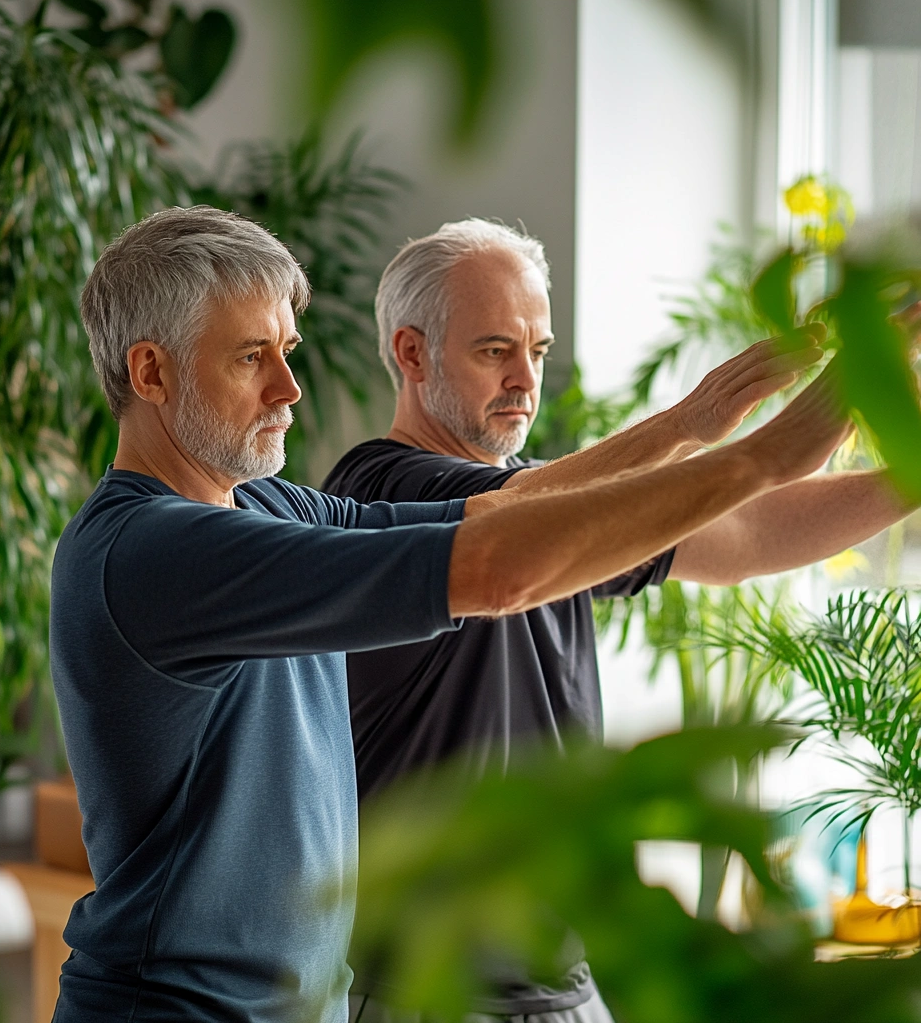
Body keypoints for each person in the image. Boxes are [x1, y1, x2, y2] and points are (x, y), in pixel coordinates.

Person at [49, 206, 851, 1022]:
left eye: (287, 353)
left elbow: (501, 515)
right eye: (252, 357)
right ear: (150, 373)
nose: (290, 388)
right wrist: (760, 456)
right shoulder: (155, 550)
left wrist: (691, 428)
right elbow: (497, 569)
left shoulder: (268, 506)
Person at [321, 219, 918, 1022]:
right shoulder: (372, 489)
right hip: (429, 990)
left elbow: (747, 536)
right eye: (495, 350)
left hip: (566, 985)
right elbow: (505, 518)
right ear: (412, 353)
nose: (525, 380)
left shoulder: (553, 506)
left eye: (537, 350)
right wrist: (690, 425)